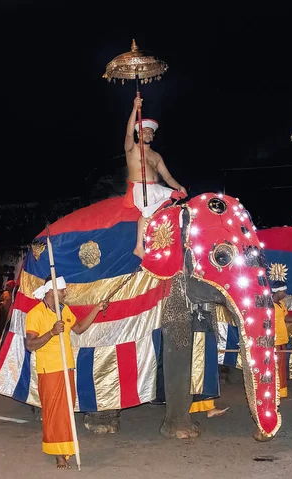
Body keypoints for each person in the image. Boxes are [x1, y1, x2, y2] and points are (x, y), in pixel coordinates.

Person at [25, 275, 108, 470]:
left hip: (66, 367)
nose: (65, 293)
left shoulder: (64, 310)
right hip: (49, 369)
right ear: (52, 291)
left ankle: (65, 448)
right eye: (63, 290)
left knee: (66, 413)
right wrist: (52, 333)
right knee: (54, 414)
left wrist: (96, 309)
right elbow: (30, 345)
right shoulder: (35, 313)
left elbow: (78, 329)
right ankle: (59, 454)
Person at [123, 97, 187, 259]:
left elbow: (167, 176)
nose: (148, 134)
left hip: (157, 188)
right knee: (146, 212)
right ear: (139, 133)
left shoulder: (156, 156)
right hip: (141, 187)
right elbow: (128, 133)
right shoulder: (132, 149)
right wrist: (134, 107)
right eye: (145, 131)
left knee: (178, 199)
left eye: (151, 132)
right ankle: (139, 247)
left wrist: (179, 187)